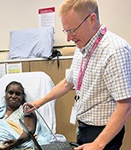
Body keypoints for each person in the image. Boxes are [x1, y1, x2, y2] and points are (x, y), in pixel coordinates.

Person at [26, 0, 131, 150]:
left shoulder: (115, 50)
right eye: (66, 31)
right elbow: (67, 83)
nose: (69, 38)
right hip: (84, 126)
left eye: (72, 30)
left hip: (103, 132)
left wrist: (98, 144)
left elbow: (125, 106)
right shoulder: (82, 47)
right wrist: (39, 103)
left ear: (92, 19)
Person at [0, 81, 52, 150]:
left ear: (22, 97)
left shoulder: (26, 109)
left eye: (18, 94)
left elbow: (29, 131)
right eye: (11, 93)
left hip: (16, 142)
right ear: (6, 95)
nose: (14, 96)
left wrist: (13, 144)